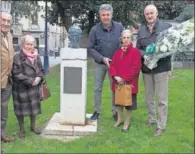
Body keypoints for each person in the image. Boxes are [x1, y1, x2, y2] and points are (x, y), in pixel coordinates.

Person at [136, 4, 172, 136]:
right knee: (149, 97)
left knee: (162, 98)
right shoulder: (141, 30)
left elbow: (171, 46)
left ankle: (161, 126)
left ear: (156, 14)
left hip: (161, 68)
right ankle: (152, 119)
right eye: (147, 14)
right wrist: (144, 54)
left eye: (152, 13)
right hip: (146, 69)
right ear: (145, 16)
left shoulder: (166, 27)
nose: (150, 16)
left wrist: (160, 53)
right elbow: (137, 48)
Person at [87, 4, 124, 121]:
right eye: (103, 15)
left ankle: (115, 112)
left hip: (115, 64)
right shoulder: (94, 30)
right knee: (97, 88)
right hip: (100, 63)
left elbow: (124, 43)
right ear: (100, 16)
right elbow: (90, 48)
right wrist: (102, 58)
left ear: (111, 15)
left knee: (115, 87)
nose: (105, 17)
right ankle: (97, 111)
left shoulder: (119, 27)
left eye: (108, 15)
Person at [12, 35, 45, 139]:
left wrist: (39, 77)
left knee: (33, 108)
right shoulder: (17, 56)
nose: (30, 46)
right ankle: (21, 130)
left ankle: (33, 127)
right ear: (23, 44)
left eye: (31, 44)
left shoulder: (36, 56)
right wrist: (31, 80)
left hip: (34, 88)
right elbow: (16, 73)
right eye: (27, 44)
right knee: (20, 111)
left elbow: (41, 70)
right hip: (21, 88)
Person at [110, 29, 141, 132]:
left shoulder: (135, 52)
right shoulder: (118, 52)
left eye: (128, 37)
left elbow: (135, 68)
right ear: (121, 39)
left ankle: (127, 123)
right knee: (118, 102)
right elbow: (112, 65)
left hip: (129, 83)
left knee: (128, 105)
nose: (126, 39)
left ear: (131, 39)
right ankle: (119, 120)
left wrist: (124, 78)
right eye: (124, 37)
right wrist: (115, 76)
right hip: (117, 82)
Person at [0, 11, 15, 143]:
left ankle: (2, 134)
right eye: (3, 20)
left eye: (8, 21)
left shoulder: (9, 35)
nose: (5, 23)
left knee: (4, 109)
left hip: (7, 80)